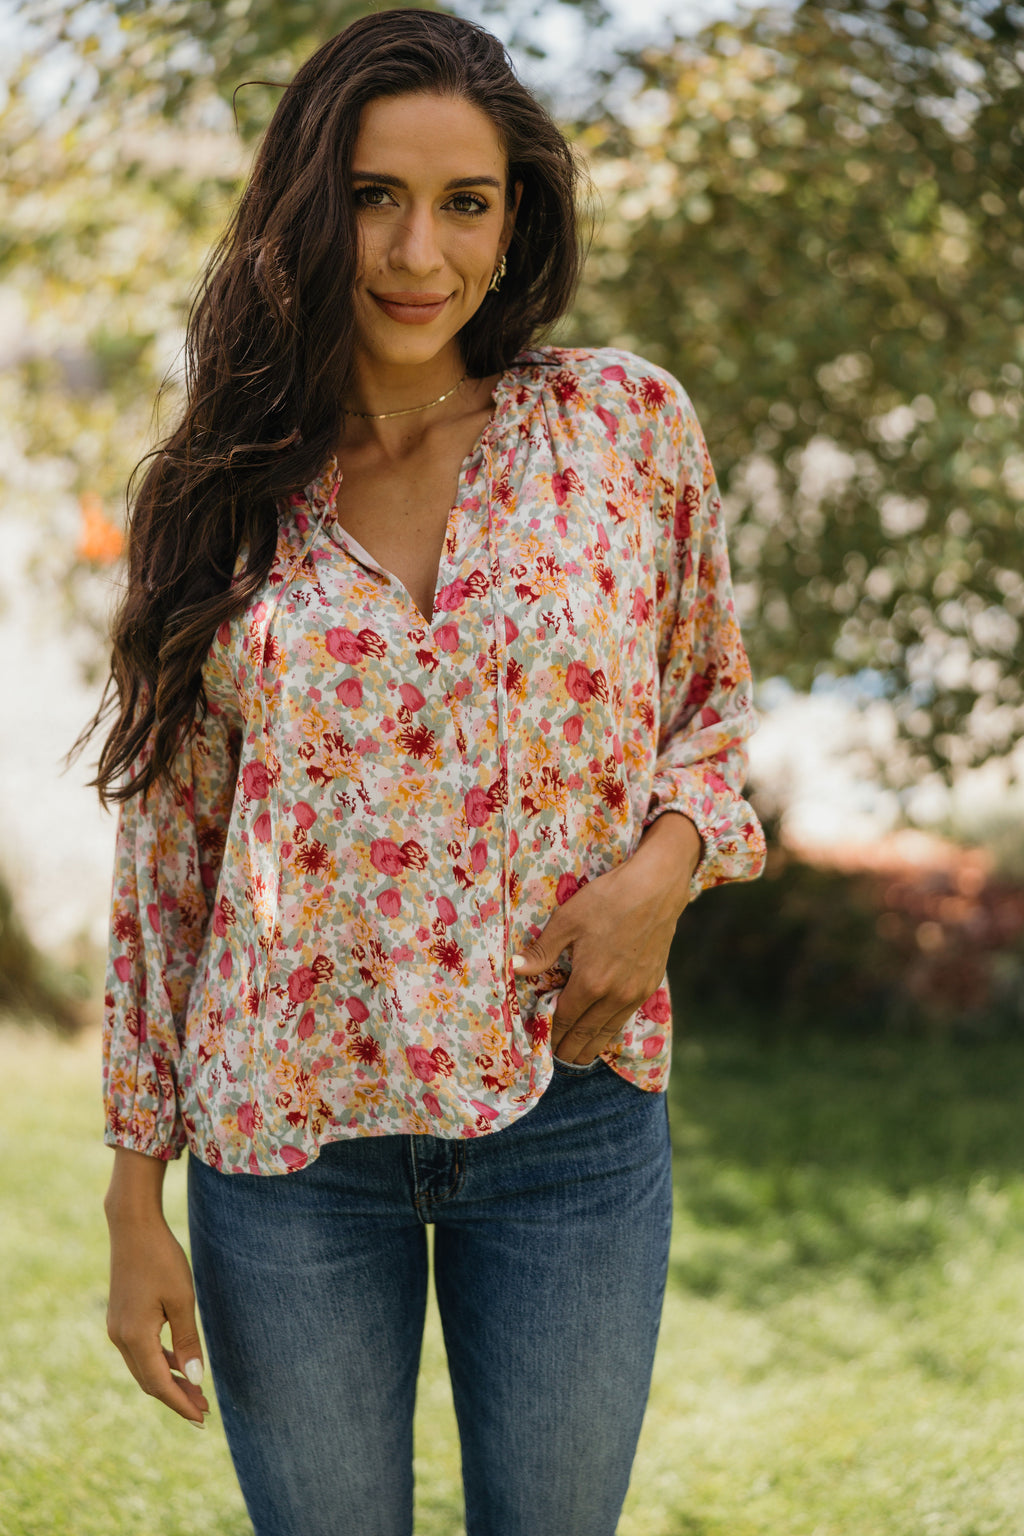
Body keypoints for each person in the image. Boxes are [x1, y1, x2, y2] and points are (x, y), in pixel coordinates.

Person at [92, 11, 766, 1535]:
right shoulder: (220, 491)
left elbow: (712, 714)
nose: (415, 251)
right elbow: (172, 855)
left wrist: (660, 877)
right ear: (304, 205)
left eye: (465, 201)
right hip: (289, 1148)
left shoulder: (621, 426)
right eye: (372, 196)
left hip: (571, 1121)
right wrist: (136, 1199)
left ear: (514, 214)